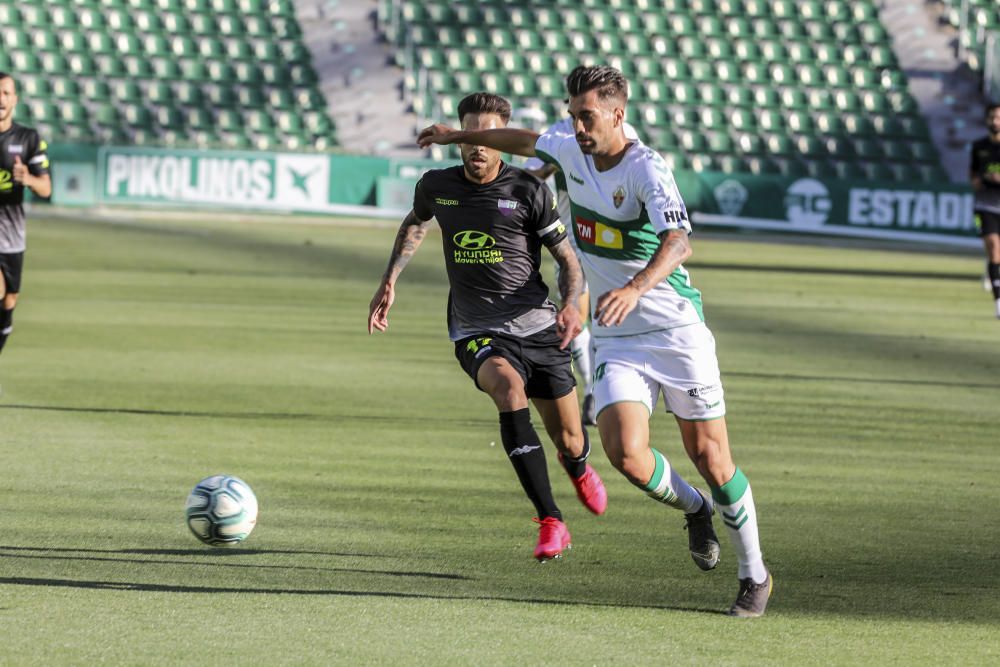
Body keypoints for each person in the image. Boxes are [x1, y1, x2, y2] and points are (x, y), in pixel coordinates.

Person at [417, 66, 771, 617]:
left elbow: (679, 244)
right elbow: (525, 140)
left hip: (675, 329)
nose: (577, 125)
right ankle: (696, 510)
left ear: (616, 114)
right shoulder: (567, 144)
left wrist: (632, 287)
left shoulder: (648, 168)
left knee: (711, 457)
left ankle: (755, 573)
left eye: (588, 115)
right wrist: (458, 136)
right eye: (573, 113)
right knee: (626, 455)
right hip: (617, 335)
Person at [368, 92, 607, 562]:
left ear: (499, 140)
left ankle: (577, 464)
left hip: (539, 326)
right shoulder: (437, 184)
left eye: (486, 136)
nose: (477, 146)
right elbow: (415, 224)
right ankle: (551, 520)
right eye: (469, 135)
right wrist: (389, 280)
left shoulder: (528, 190)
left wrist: (573, 304)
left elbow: (566, 258)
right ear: (459, 139)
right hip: (477, 328)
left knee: (572, 439)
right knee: (507, 390)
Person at [523, 116, 640, 426]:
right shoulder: (559, 134)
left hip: (614, 241)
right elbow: (537, 172)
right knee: (572, 315)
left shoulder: (626, 135)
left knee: (606, 318)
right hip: (571, 239)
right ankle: (592, 389)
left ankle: (611, 389)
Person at [0, 72, 51, 357]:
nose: (1, 99)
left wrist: (28, 178)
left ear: (15, 99)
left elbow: (46, 188)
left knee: (9, 301)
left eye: (6, 93)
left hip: (12, 236)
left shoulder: (28, 138)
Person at [970, 103, 1000, 319]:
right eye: (992, 117)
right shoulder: (979, 146)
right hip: (985, 203)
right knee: (992, 245)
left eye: (999, 117)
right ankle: (999, 301)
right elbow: (972, 172)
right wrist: (977, 181)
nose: (995, 122)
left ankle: (992, 273)